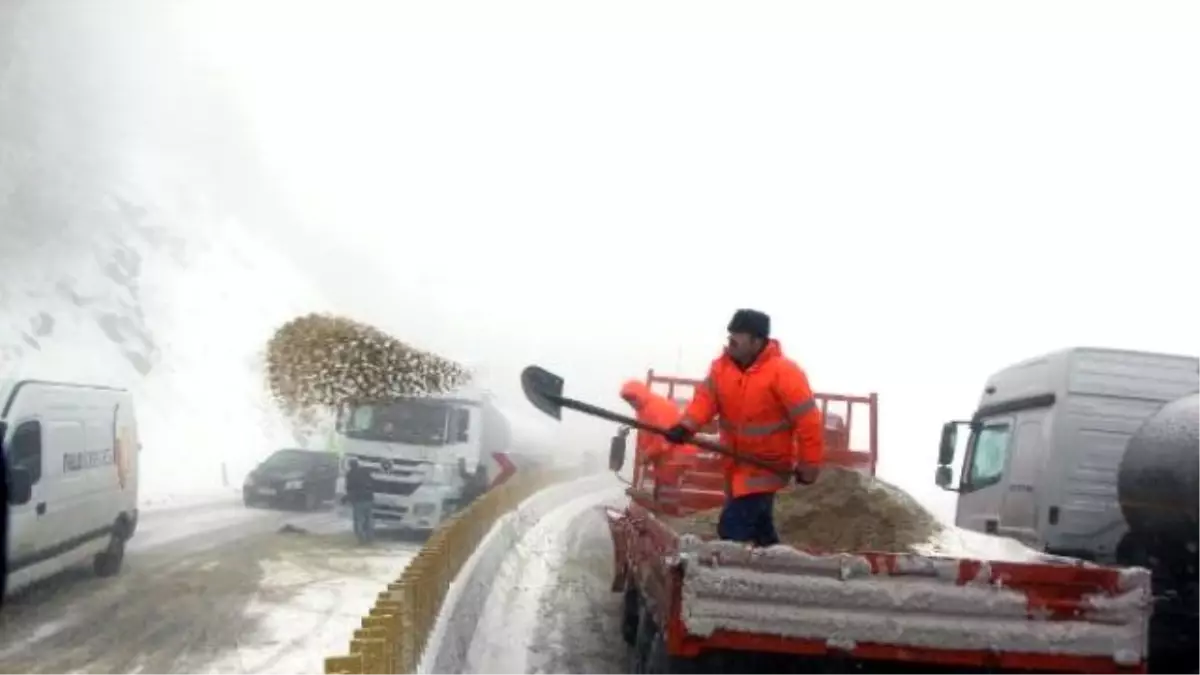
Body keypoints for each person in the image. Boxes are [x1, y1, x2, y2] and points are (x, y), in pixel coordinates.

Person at [664, 309, 824, 547]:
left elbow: (808, 421)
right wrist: (686, 427)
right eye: (730, 336)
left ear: (757, 341)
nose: (730, 342)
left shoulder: (785, 373)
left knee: (732, 530)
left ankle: (727, 580)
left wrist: (809, 465)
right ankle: (777, 572)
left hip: (765, 470)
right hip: (735, 468)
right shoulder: (721, 369)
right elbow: (705, 401)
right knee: (761, 535)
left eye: (737, 337)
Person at [619, 381, 698, 496]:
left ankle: (666, 511)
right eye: (628, 400)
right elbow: (648, 436)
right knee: (665, 495)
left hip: (677, 458)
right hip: (667, 458)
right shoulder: (643, 411)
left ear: (640, 394)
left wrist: (647, 454)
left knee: (670, 498)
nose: (631, 403)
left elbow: (664, 439)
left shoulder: (657, 408)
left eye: (633, 398)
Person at [343, 458, 375, 544]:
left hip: (358, 501)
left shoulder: (350, 475)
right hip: (369, 499)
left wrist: (345, 499)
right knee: (368, 520)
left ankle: (361, 539)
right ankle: (369, 538)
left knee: (358, 521)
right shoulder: (365, 472)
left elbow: (350, 489)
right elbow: (373, 483)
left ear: (350, 466)